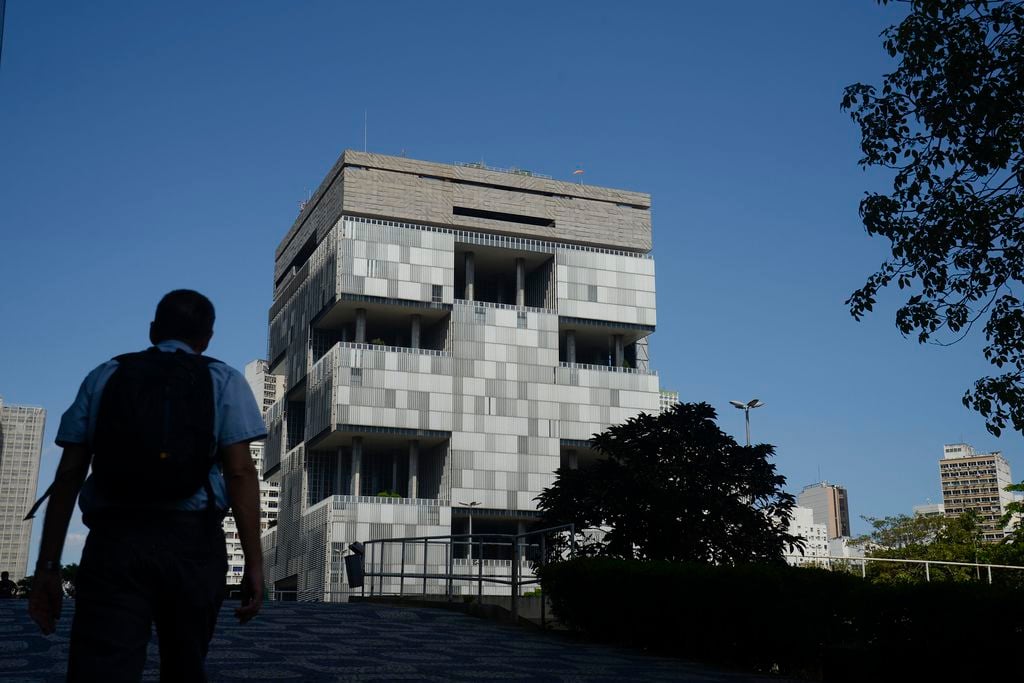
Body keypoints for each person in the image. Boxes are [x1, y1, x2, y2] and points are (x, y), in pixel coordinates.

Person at [28, 289, 267, 681]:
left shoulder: (105, 375)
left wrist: (48, 565)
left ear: (153, 330)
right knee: (185, 663)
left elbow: (69, 475)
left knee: (104, 666)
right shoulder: (222, 379)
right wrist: (254, 565)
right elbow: (241, 473)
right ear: (207, 337)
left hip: (115, 541)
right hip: (193, 545)